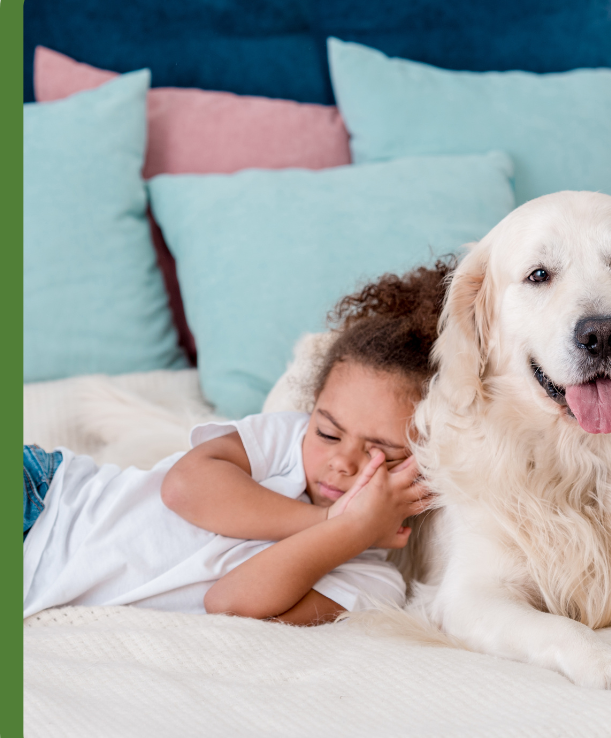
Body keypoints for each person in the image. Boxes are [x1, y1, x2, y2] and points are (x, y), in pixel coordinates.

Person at [23, 260, 453, 625]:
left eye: (380, 453)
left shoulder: (369, 582)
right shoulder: (285, 441)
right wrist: (331, 522)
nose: (341, 460)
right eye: (327, 432)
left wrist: (350, 531)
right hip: (50, 500)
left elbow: (229, 604)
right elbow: (183, 488)